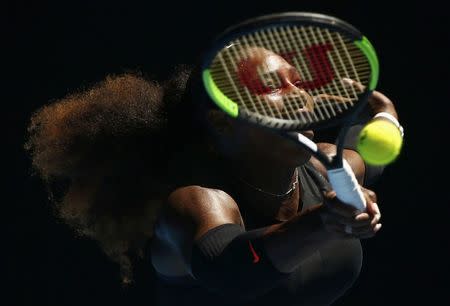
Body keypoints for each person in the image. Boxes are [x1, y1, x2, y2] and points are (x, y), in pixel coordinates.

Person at [24, 44, 400, 305]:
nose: (298, 94)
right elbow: (234, 268)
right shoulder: (194, 202)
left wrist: (384, 109)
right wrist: (325, 222)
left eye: (298, 83)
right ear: (222, 121)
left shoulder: (328, 168)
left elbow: (368, 151)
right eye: (272, 85)